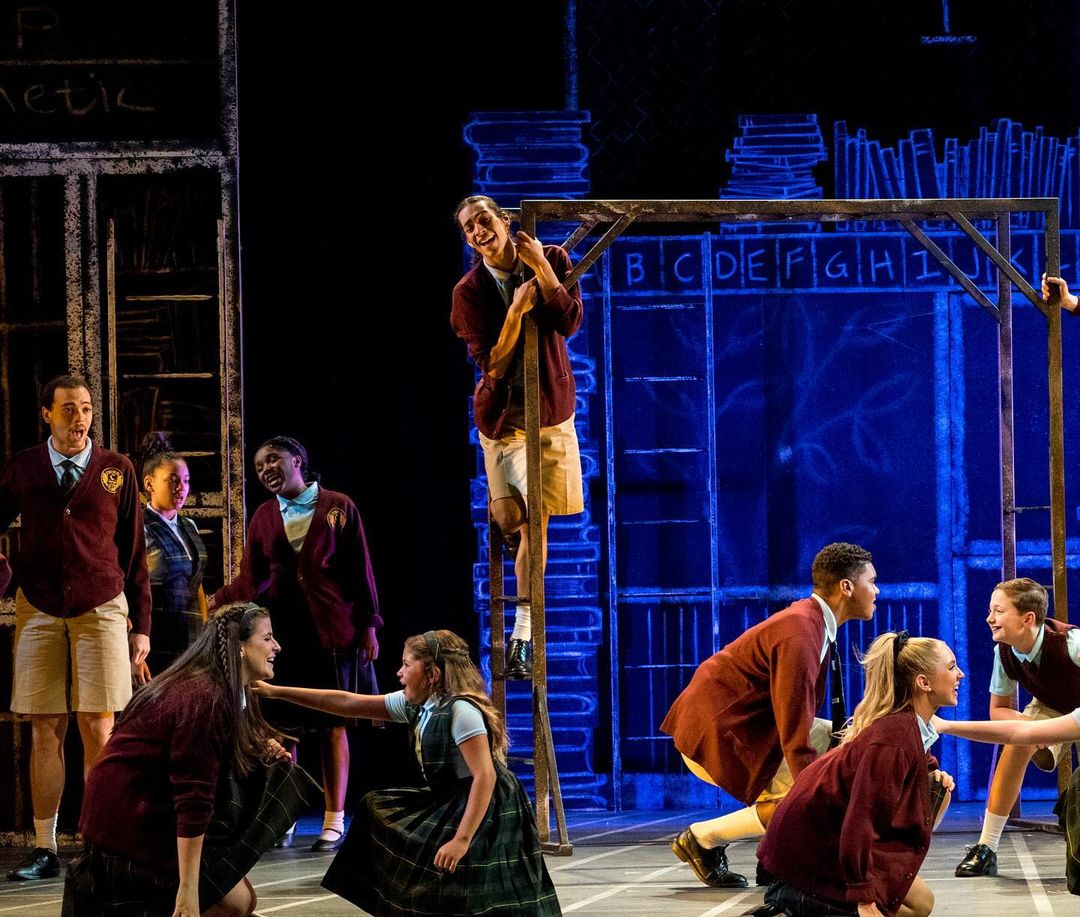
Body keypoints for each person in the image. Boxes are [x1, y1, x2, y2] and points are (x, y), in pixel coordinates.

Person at [252, 628, 561, 915]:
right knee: (376, 808)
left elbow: (485, 776)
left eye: (406, 665)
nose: (399, 673)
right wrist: (276, 692)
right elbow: (347, 703)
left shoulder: (461, 711)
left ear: (432, 675)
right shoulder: (418, 704)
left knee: (480, 891)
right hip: (451, 797)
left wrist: (462, 839)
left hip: (488, 804)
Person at [62, 602, 321, 917]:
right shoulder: (205, 700)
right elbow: (193, 799)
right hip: (126, 837)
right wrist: (187, 892)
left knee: (241, 899)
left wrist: (257, 748)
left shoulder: (222, 690)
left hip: (143, 820)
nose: (276, 646)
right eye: (267, 638)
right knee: (236, 903)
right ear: (239, 647)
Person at [0, 374, 151, 881]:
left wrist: (141, 625)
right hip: (40, 608)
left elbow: (134, 552)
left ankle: (99, 843)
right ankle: (44, 847)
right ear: (47, 414)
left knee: (99, 726)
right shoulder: (24, 467)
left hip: (101, 606)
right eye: (68, 409)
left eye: (85, 408)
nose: (79, 418)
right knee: (45, 727)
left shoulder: (116, 469)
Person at [660, 542, 879, 888]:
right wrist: (813, 795)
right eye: (872, 581)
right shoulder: (801, 633)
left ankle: (776, 857)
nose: (877, 591)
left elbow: (797, 720)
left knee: (850, 753)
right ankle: (704, 839)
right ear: (846, 587)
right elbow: (795, 733)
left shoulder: (811, 621)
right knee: (822, 792)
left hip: (749, 728)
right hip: (722, 735)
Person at [209, 435, 381, 851]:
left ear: (298, 460)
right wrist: (217, 598)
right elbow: (252, 579)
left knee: (332, 724)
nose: (266, 469)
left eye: (273, 460)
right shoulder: (265, 516)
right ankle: (286, 812)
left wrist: (369, 624)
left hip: (332, 631)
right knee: (285, 727)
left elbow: (360, 569)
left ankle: (334, 819)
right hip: (285, 634)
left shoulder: (338, 506)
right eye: (259, 466)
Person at [451, 195, 585, 679]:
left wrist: (542, 273)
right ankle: (521, 548)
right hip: (502, 419)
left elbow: (569, 321)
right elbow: (493, 364)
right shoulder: (469, 291)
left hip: (547, 415)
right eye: (468, 228)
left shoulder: (551, 258)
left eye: (483, 220)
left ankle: (523, 636)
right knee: (510, 518)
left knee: (533, 527)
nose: (477, 231)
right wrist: (515, 311)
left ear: (504, 221)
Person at [750, 632, 960, 917]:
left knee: (921, 903)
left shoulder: (907, 725)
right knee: (896, 908)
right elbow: (861, 820)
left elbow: (916, 760)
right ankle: (794, 900)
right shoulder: (895, 737)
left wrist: (931, 771)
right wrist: (864, 897)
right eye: (951, 667)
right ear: (924, 683)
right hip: (813, 849)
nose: (960, 674)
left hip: (823, 839)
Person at [952, 578, 1078, 878]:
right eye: (990, 610)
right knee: (1016, 742)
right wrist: (1031, 730)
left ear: (1027, 619)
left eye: (998, 611)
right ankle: (987, 846)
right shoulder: (1004, 653)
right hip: (1051, 705)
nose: (989, 618)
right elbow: (998, 711)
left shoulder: (1071, 644)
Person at [934, 705, 1080, 892]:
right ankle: (987, 844)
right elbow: (1019, 731)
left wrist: (946, 725)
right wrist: (945, 725)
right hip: (1053, 703)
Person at [140, 432, 208, 675]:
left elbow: (197, 586)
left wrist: (205, 635)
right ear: (149, 484)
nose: (182, 488)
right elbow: (128, 590)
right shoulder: (139, 527)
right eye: (173, 480)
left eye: (186, 481)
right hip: (156, 638)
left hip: (192, 639)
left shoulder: (189, 526)